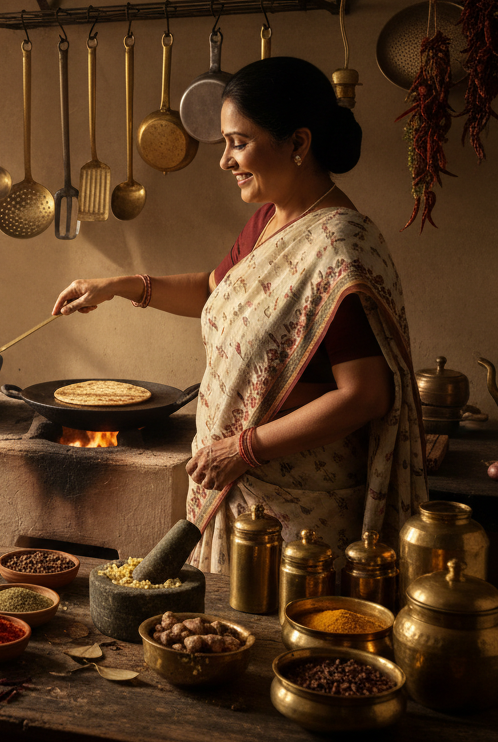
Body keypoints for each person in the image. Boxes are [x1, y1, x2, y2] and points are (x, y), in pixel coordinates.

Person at [52, 56, 428, 573]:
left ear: (298, 143)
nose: (225, 160)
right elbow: (213, 290)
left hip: (295, 508)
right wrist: (116, 286)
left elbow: (365, 394)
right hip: (239, 486)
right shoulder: (268, 222)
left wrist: (244, 449)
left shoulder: (339, 248)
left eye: (239, 142)